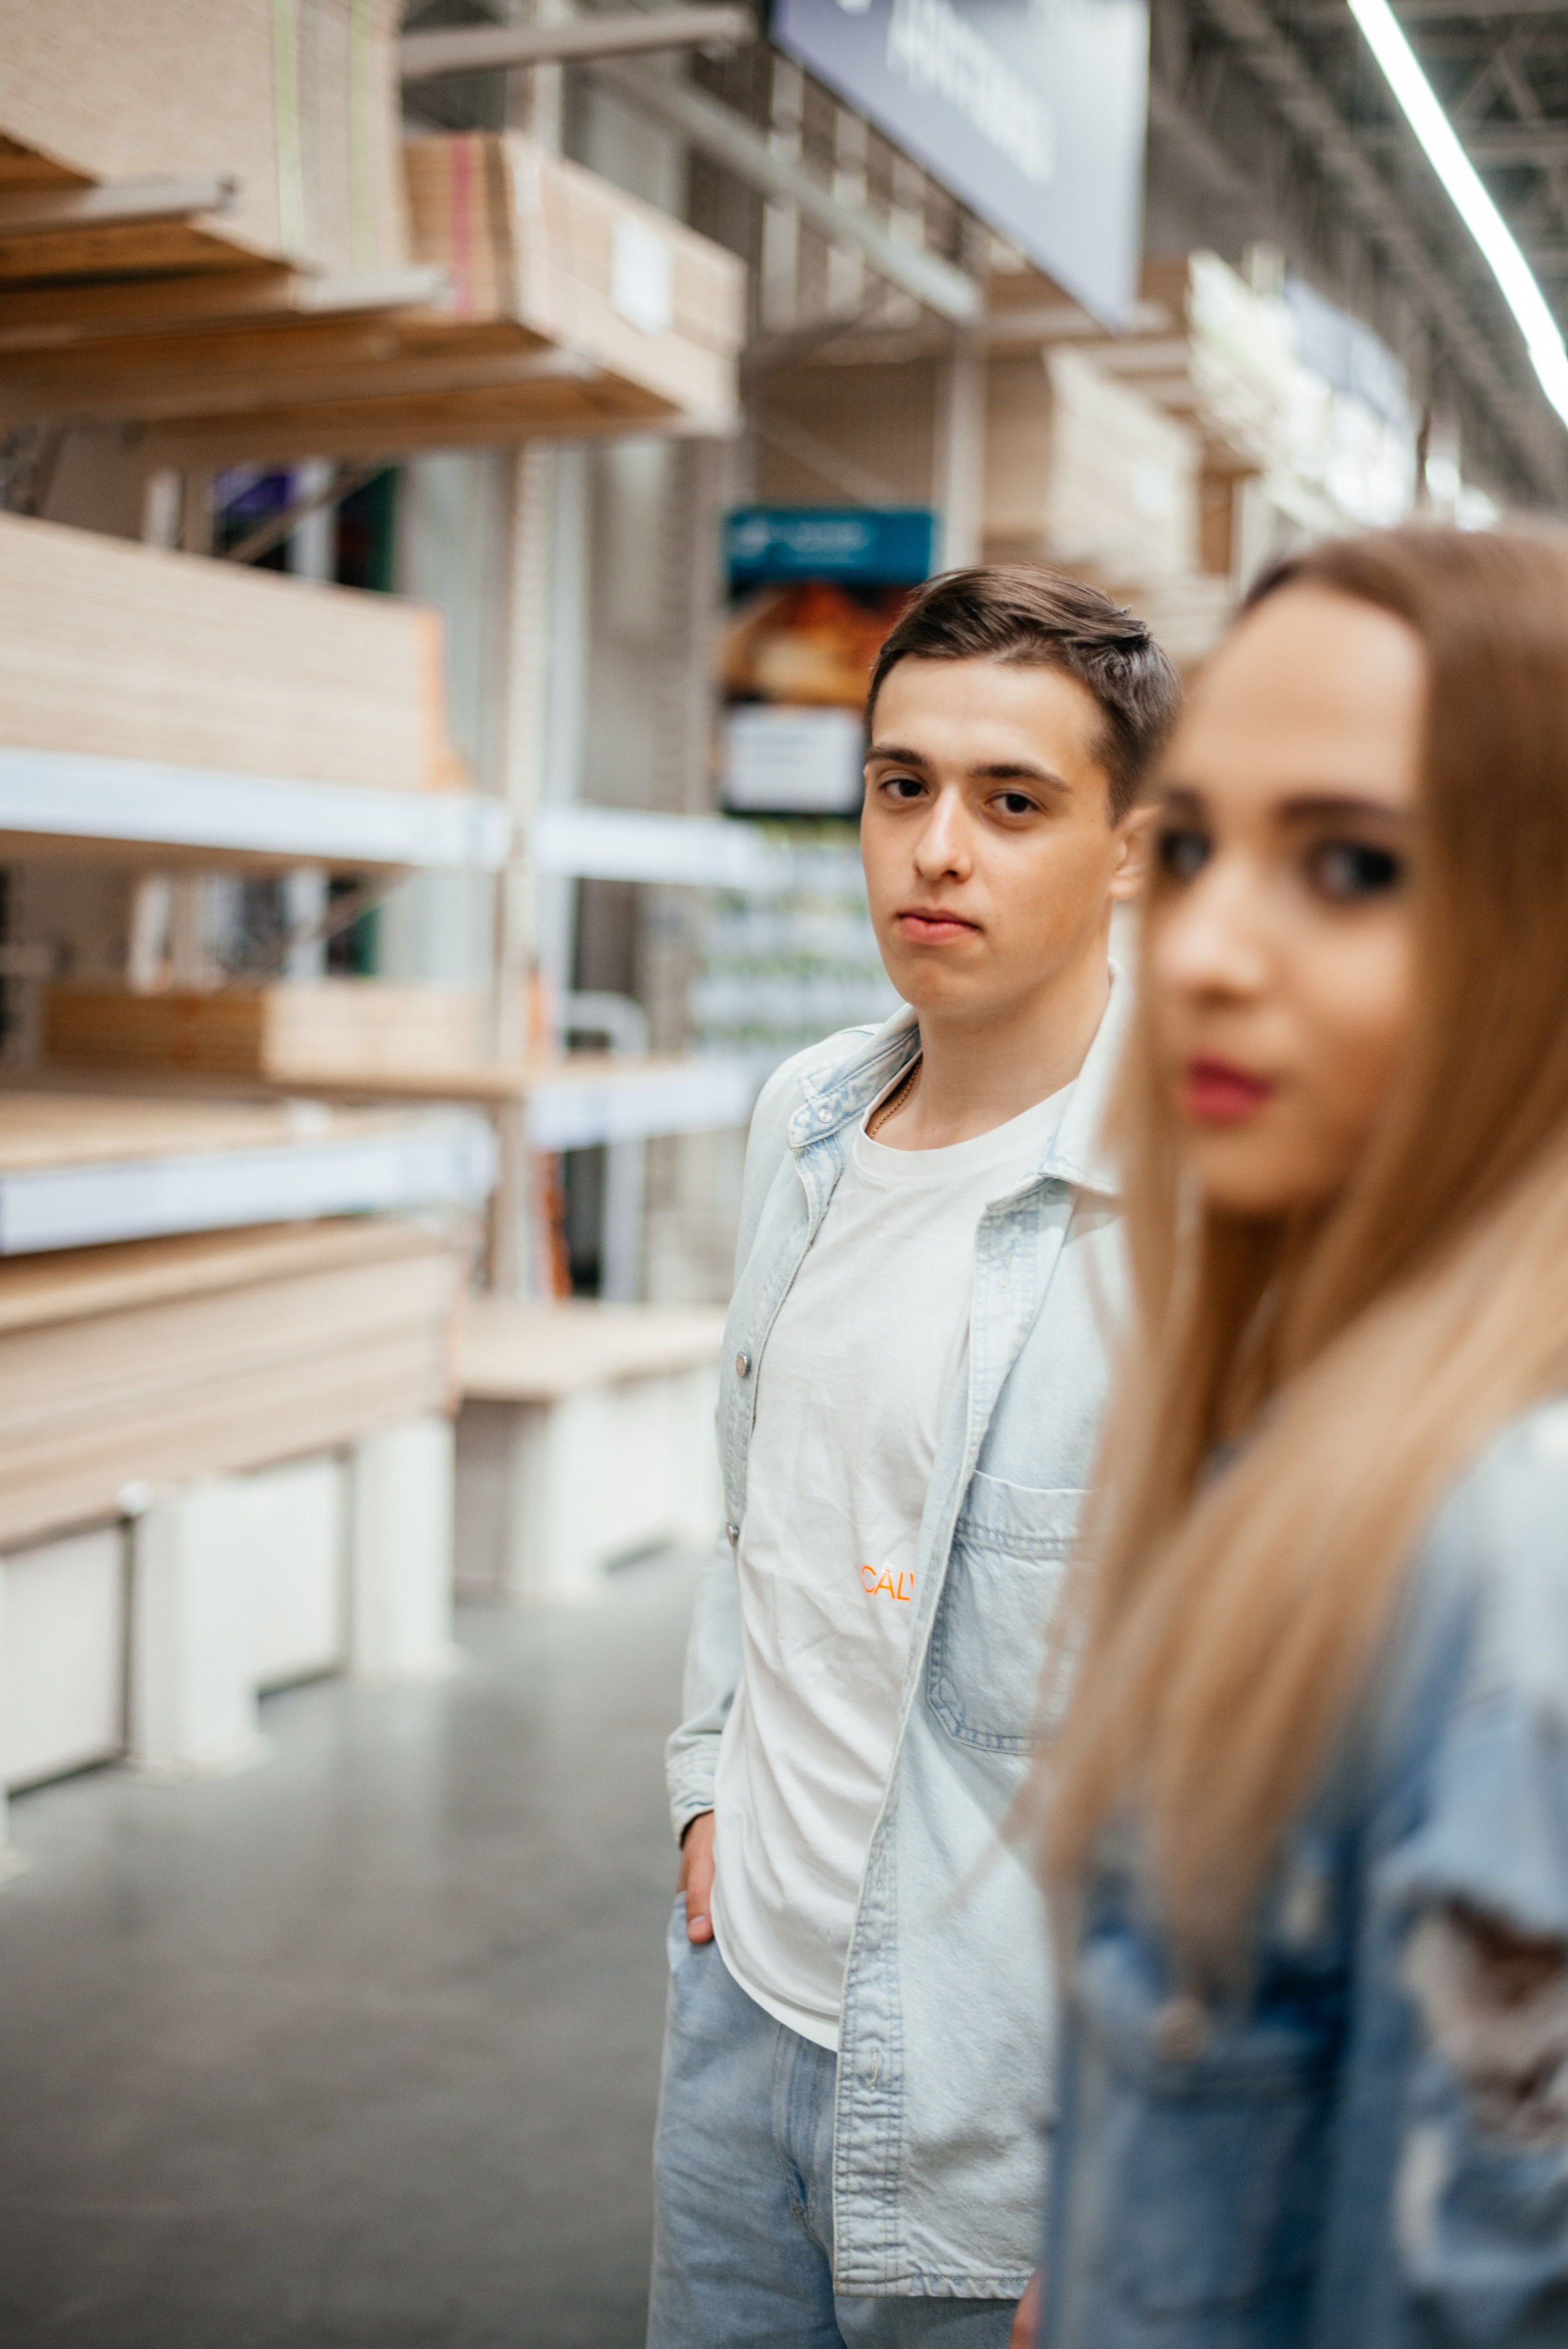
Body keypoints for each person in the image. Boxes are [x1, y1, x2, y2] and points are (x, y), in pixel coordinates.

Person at [1034, 525, 1568, 2346]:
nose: (1207, 948)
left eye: (1348, 865)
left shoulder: (1498, 1569)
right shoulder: (1303, 1454)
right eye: (1187, 849)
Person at [647, 565, 1181, 2347]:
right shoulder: (803, 1118)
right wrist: (704, 1777)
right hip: (738, 2028)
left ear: (1131, 845)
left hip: (997, 2124)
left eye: (1011, 801)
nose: (935, 847)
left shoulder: (1201, 1230)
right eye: (902, 785)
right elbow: (758, 1512)